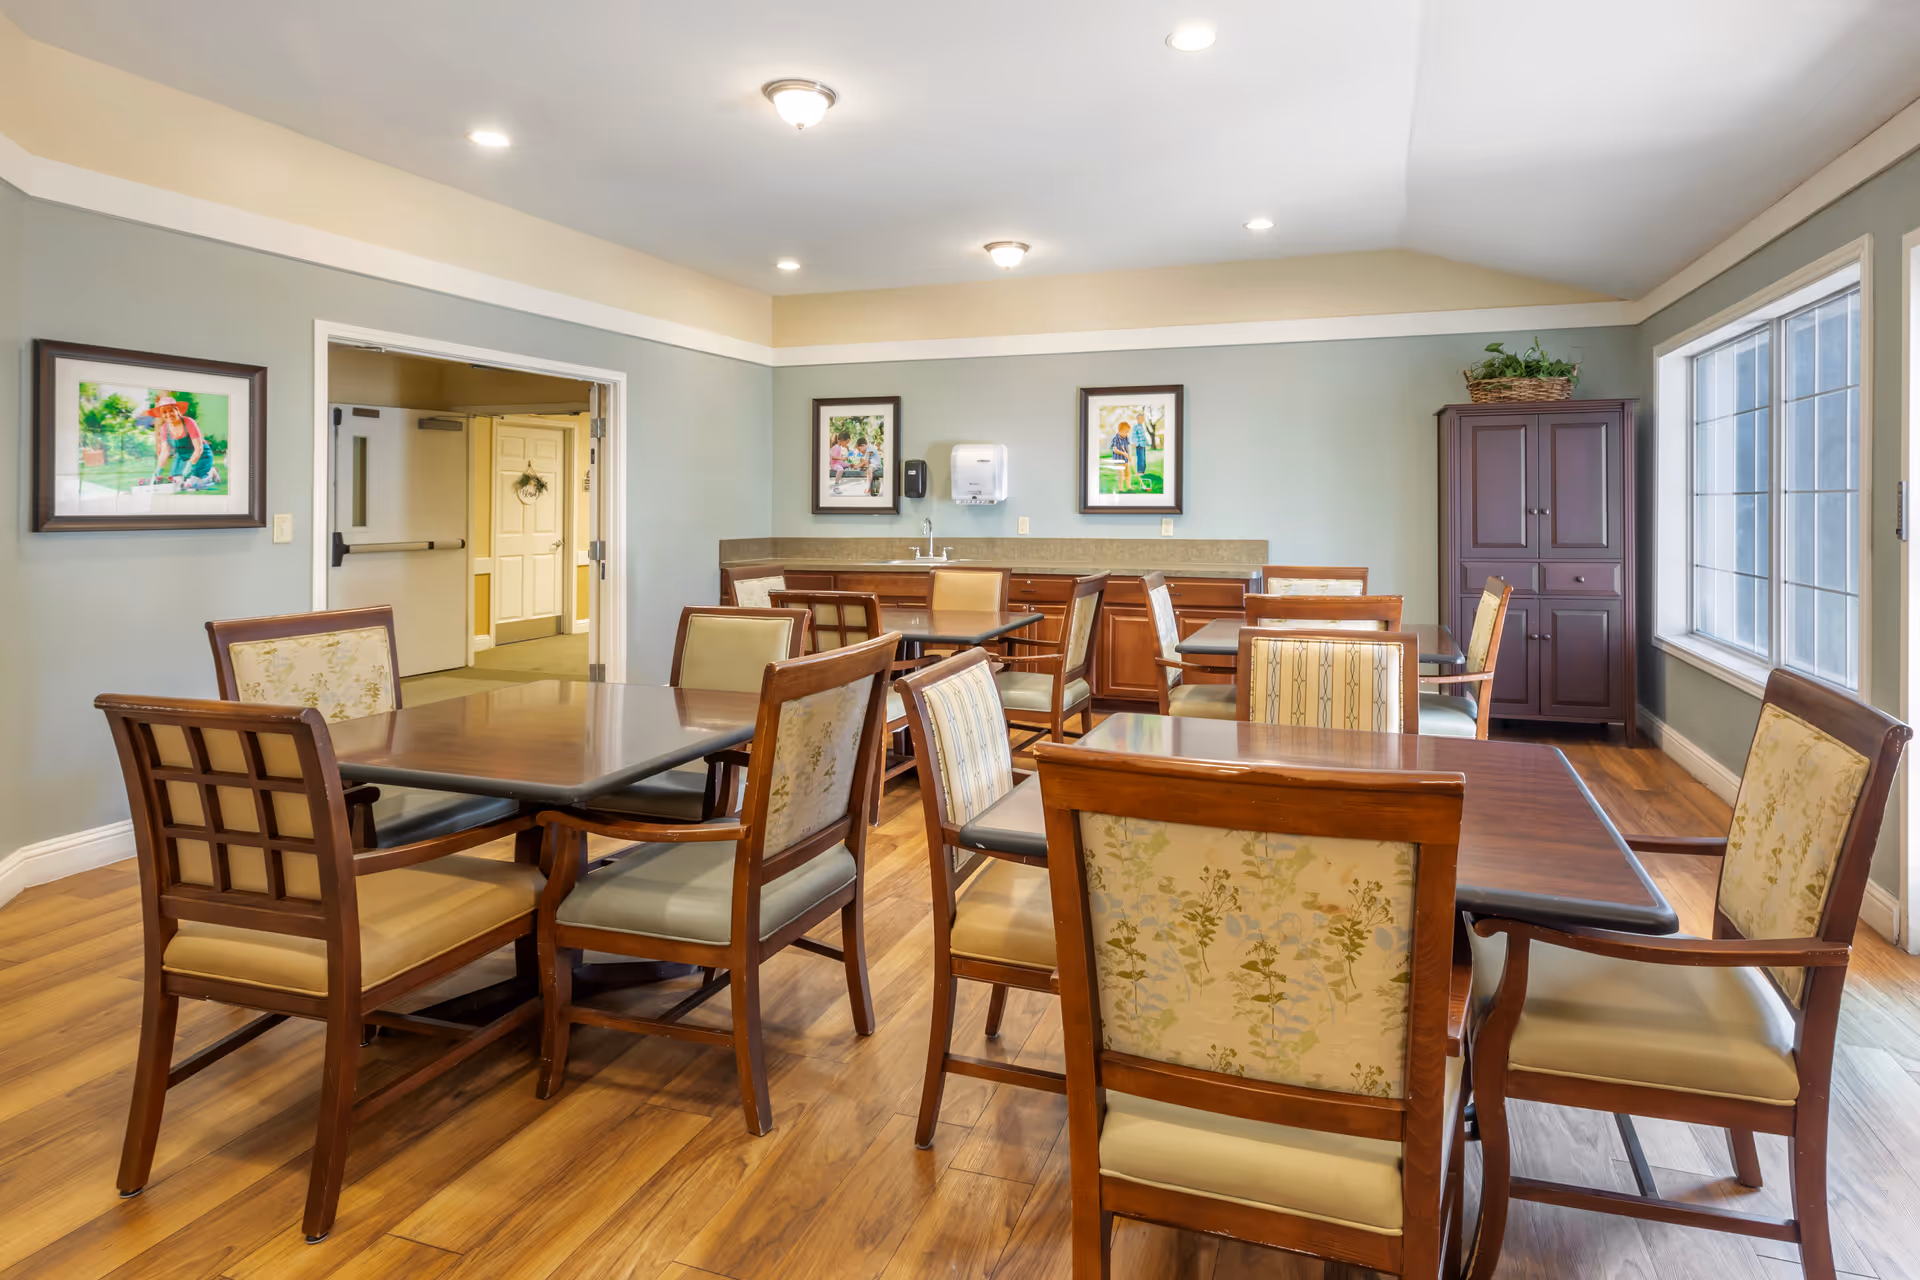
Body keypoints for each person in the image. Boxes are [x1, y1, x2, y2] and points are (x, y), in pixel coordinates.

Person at [147, 395, 220, 492]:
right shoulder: (165, 428)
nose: (168, 414)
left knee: (192, 484)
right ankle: (198, 473)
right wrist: (158, 471)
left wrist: (189, 467)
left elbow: (199, 449)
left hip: (201, 455)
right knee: (177, 482)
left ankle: (212, 472)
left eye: (171, 410)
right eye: (164, 412)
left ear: (177, 410)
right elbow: (165, 451)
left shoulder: (189, 422)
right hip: (182, 457)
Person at [1110, 424, 1134, 492]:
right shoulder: (1115, 439)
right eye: (1125, 432)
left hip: (1125, 459)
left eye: (1128, 432)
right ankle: (1121, 489)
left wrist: (1130, 456)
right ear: (1119, 430)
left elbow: (1129, 446)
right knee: (1120, 474)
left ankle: (1129, 487)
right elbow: (1115, 449)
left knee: (1127, 473)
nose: (1127, 433)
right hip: (1118, 460)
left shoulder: (1126, 437)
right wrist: (1123, 453)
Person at [1131, 414, 1152, 485]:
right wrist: (1134, 442)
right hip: (1139, 445)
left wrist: (1148, 443)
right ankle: (1140, 471)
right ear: (1137, 419)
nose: (1142, 420)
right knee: (1140, 458)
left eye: (1143, 419)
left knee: (1143, 459)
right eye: (1141, 419)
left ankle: (1143, 471)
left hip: (1143, 445)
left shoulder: (1142, 427)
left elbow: (1144, 436)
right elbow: (1133, 435)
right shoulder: (1136, 427)